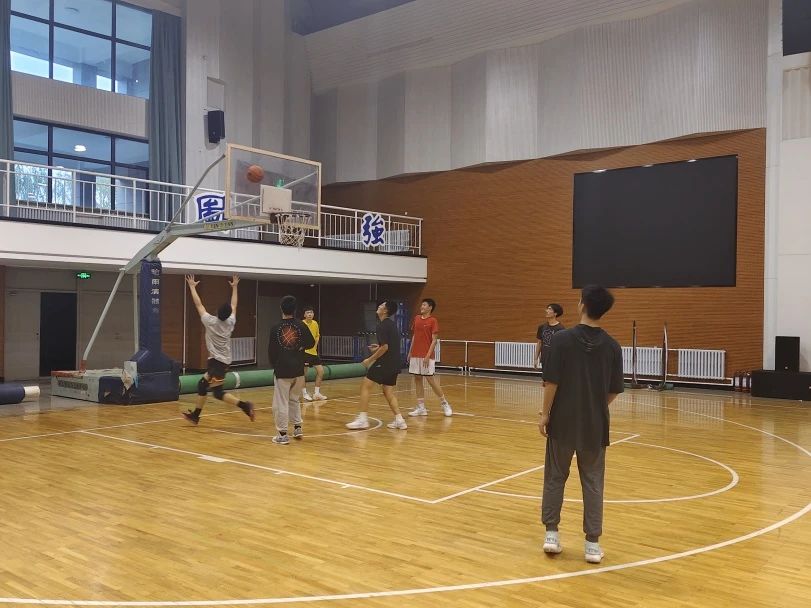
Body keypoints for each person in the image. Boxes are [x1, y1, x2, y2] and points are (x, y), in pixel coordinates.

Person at [537, 285, 623, 564]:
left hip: (562, 421)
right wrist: (595, 407)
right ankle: (592, 545)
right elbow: (614, 390)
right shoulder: (612, 346)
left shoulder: (561, 340)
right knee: (593, 482)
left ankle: (551, 534)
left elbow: (551, 382)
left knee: (555, 477)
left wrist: (545, 414)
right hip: (595, 426)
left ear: (582, 305)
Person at [182, 274, 255, 424]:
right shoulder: (230, 322)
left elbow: (198, 304)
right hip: (219, 361)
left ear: (217, 311)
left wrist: (192, 287)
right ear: (228, 315)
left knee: (217, 392)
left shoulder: (210, 321)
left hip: (218, 363)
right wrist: (235, 287)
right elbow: (234, 305)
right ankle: (195, 415)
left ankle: (245, 406)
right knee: (202, 385)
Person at [346, 301, 407, 430]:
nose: (379, 306)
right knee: (388, 391)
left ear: (385, 310)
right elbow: (387, 345)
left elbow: (385, 347)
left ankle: (362, 419)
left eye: (381, 306)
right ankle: (400, 420)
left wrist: (369, 359)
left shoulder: (382, 325)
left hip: (385, 362)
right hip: (395, 363)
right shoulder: (391, 324)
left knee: (365, 385)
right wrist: (378, 347)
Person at [268, 295, 315, 445]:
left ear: (281, 308)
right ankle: (297, 428)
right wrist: (299, 347)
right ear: (295, 309)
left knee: (281, 402)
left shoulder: (275, 328)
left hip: (282, 370)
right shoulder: (301, 325)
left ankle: (282, 435)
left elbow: (271, 352)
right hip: (299, 369)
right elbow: (311, 342)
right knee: (294, 399)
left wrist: (276, 365)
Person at [407, 298, 452, 417]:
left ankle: (444, 403)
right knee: (417, 379)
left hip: (427, 355)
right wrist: (410, 351)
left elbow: (434, 340)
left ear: (430, 307)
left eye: (424, 305)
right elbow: (414, 336)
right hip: (415, 354)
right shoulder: (416, 318)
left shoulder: (433, 321)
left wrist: (427, 355)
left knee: (430, 380)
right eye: (421, 305)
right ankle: (421, 408)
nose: (421, 307)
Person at [301, 305, 328, 402]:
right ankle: (304, 393)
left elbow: (317, 335)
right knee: (303, 374)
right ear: (304, 315)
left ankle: (316, 393)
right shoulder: (301, 324)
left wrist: (315, 345)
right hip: (304, 352)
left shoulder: (315, 323)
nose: (310, 314)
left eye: (311, 312)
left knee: (321, 371)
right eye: (308, 313)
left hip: (313, 353)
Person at [534, 303, 565, 381]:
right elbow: (539, 343)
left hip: (555, 360)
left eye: (550, 309)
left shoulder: (561, 329)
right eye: (547, 308)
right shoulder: (542, 327)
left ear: (555, 313)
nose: (547, 310)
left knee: (553, 382)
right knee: (545, 381)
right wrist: (535, 359)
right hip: (545, 358)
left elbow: (562, 347)